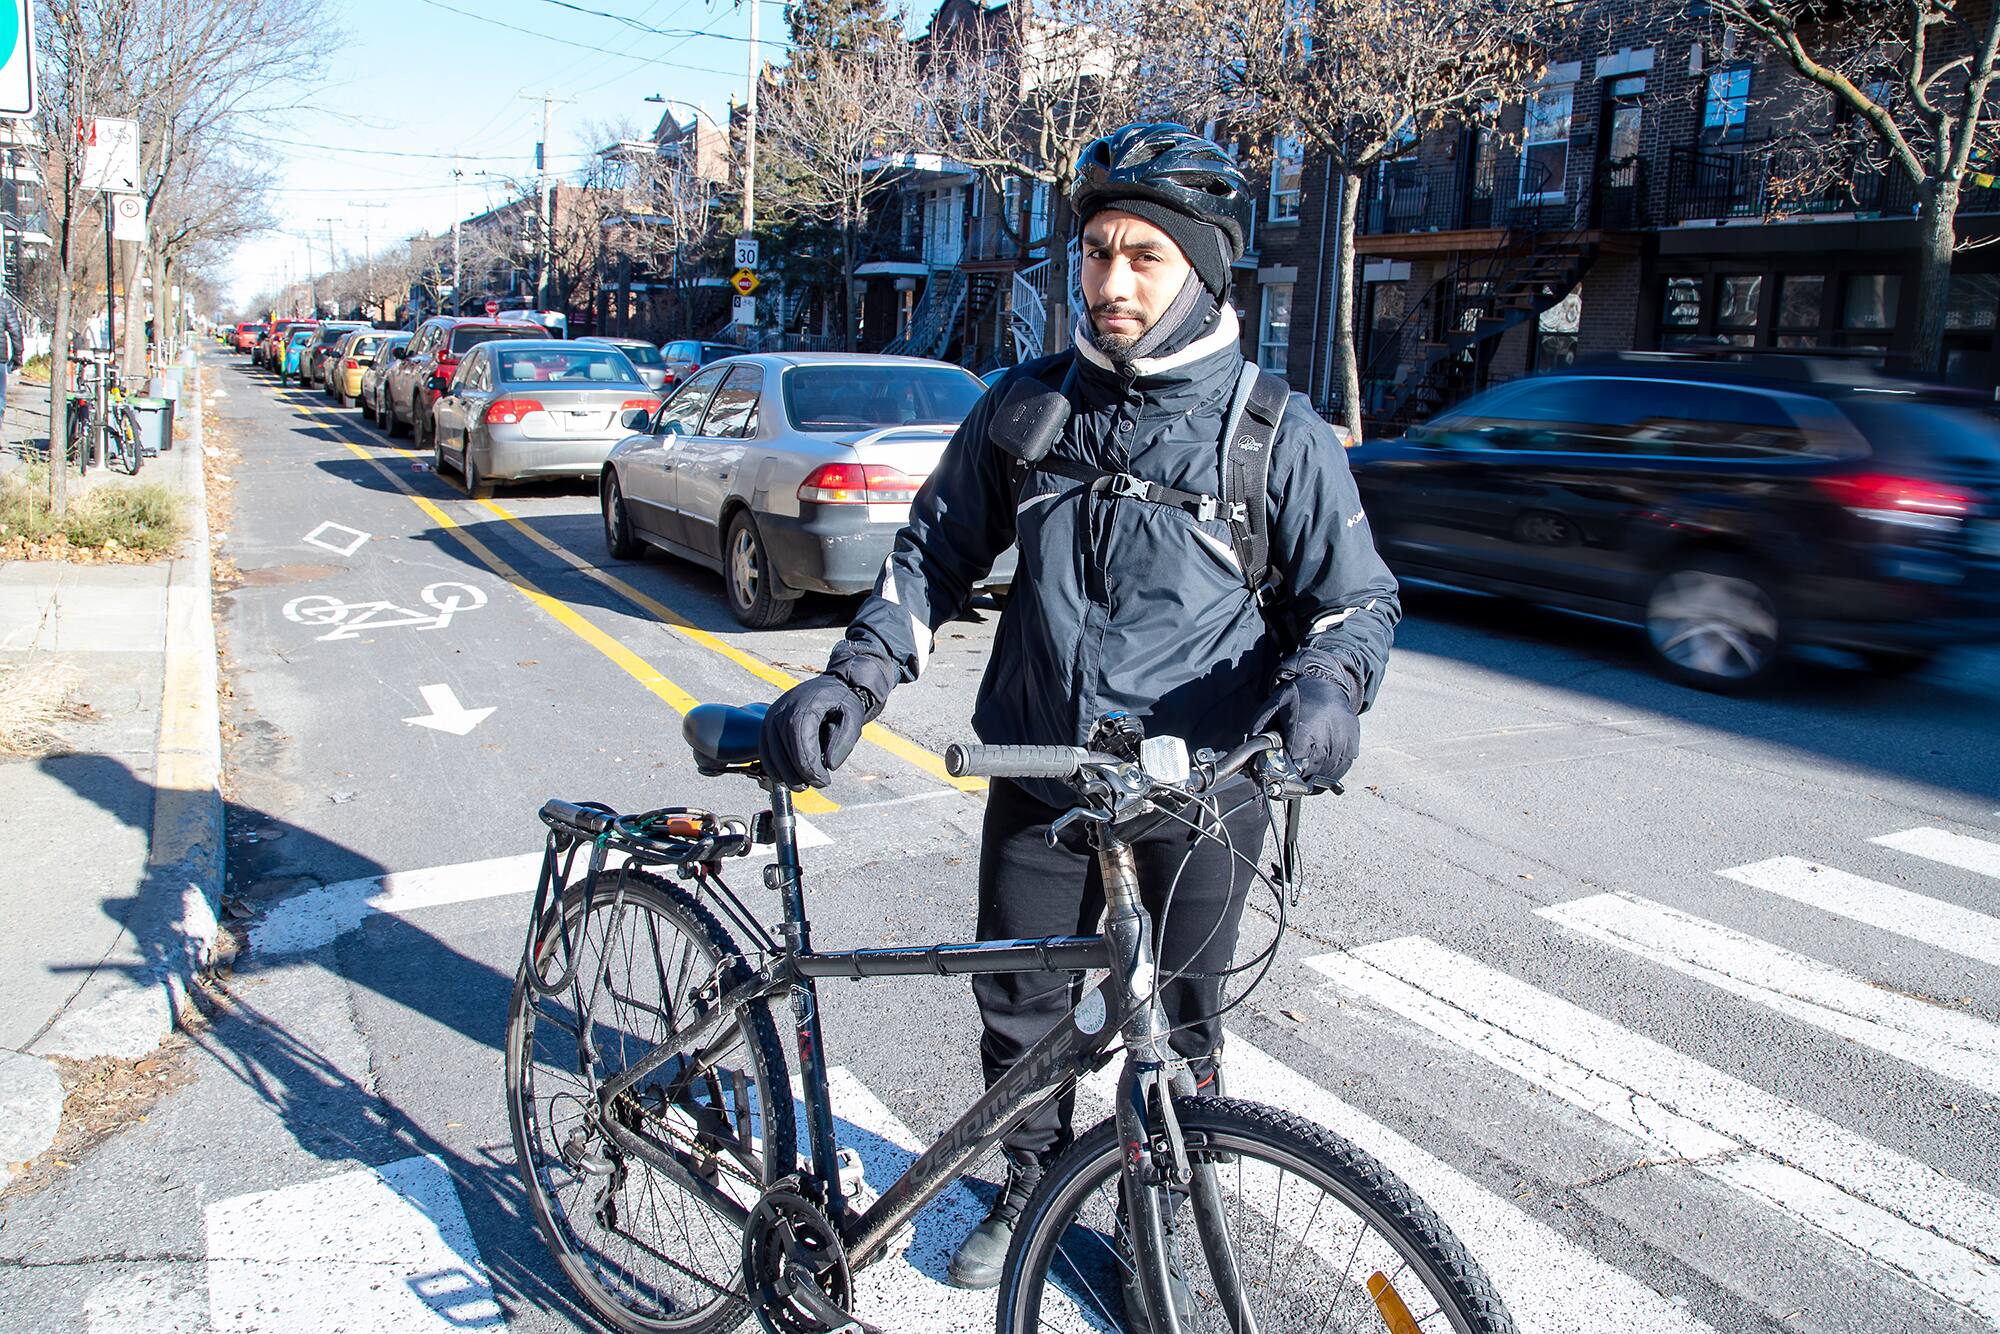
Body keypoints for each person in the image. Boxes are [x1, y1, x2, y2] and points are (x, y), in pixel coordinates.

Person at [760, 122, 1401, 1299]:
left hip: (1205, 792)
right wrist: (854, 676)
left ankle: (1163, 1195)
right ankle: (1029, 1185)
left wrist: (1327, 684)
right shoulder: (1024, 407)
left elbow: (1353, 598)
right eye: (1096, 251)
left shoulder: (1269, 431)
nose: (1108, 282)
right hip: (1044, 772)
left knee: (1187, 1027)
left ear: (1200, 269)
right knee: (1021, 1008)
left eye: (1142, 257)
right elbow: (932, 555)